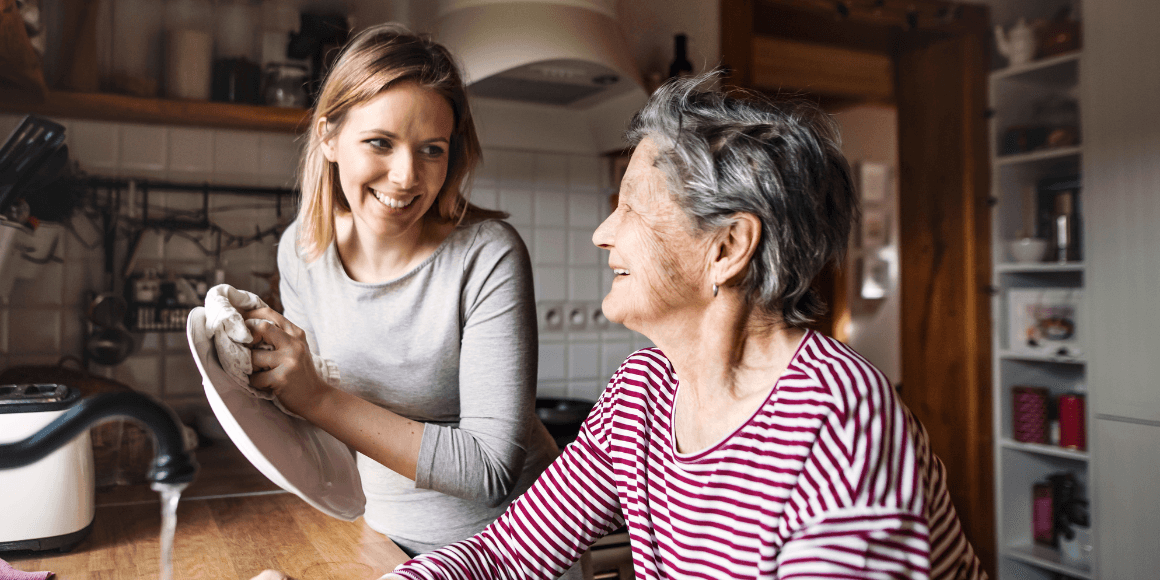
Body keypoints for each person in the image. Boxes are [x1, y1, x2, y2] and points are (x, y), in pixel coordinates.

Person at [368, 72, 986, 579]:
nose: (602, 233)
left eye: (631, 207)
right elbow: (508, 554)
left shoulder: (841, 423)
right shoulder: (643, 389)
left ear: (727, 247)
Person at [241, 23, 565, 568]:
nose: (406, 176)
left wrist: (316, 397)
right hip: (384, 542)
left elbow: (491, 470)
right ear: (329, 137)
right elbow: (316, 425)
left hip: (511, 554)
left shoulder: (487, 256)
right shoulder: (300, 254)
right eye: (380, 142)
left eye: (431, 150)